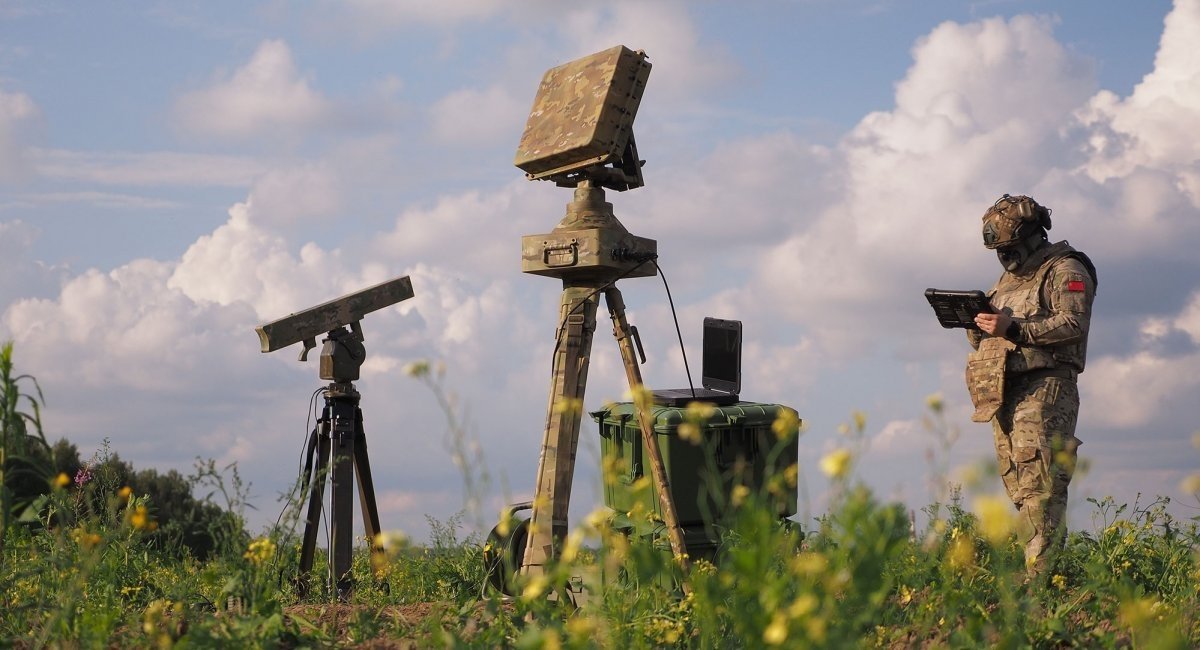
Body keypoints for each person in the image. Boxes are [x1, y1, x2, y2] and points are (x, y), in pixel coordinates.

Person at [965, 193, 1097, 575]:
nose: (1005, 257)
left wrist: (1015, 328)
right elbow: (997, 333)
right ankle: (1041, 577)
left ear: (1032, 235)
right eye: (999, 250)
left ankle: (1041, 586)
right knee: (1021, 490)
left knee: (1041, 489)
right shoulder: (1006, 281)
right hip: (1004, 392)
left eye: (1009, 247)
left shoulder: (1065, 269)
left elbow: (1074, 324)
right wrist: (979, 326)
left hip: (1046, 389)